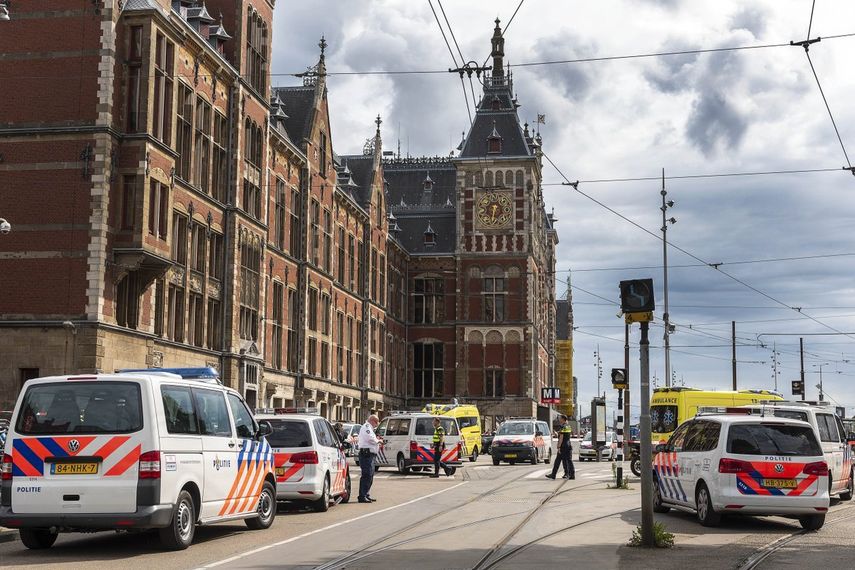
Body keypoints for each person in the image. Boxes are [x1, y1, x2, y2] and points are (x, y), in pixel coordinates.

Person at [357, 414, 381, 503]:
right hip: (366, 454)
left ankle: (366, 494)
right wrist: (378, 441)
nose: (377, 424)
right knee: (367, 475)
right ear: (372, 421)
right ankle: (362, 496)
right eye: (376, 422)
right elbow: (370, 438)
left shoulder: (370, 428)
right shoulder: (366, 427)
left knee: (370, 475)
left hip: (370, 454)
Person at [546, 414, 575, 480]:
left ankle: (553, 475)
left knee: (557, 460)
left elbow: (561, 437)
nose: (559, 419)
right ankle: (572, 474)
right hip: (568, 445)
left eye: (560, 418)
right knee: (569, 460)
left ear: (563, 419)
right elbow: (568, 436)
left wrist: (558, 446)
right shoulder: (568, 426)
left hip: (563, 446)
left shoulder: (562, 427)